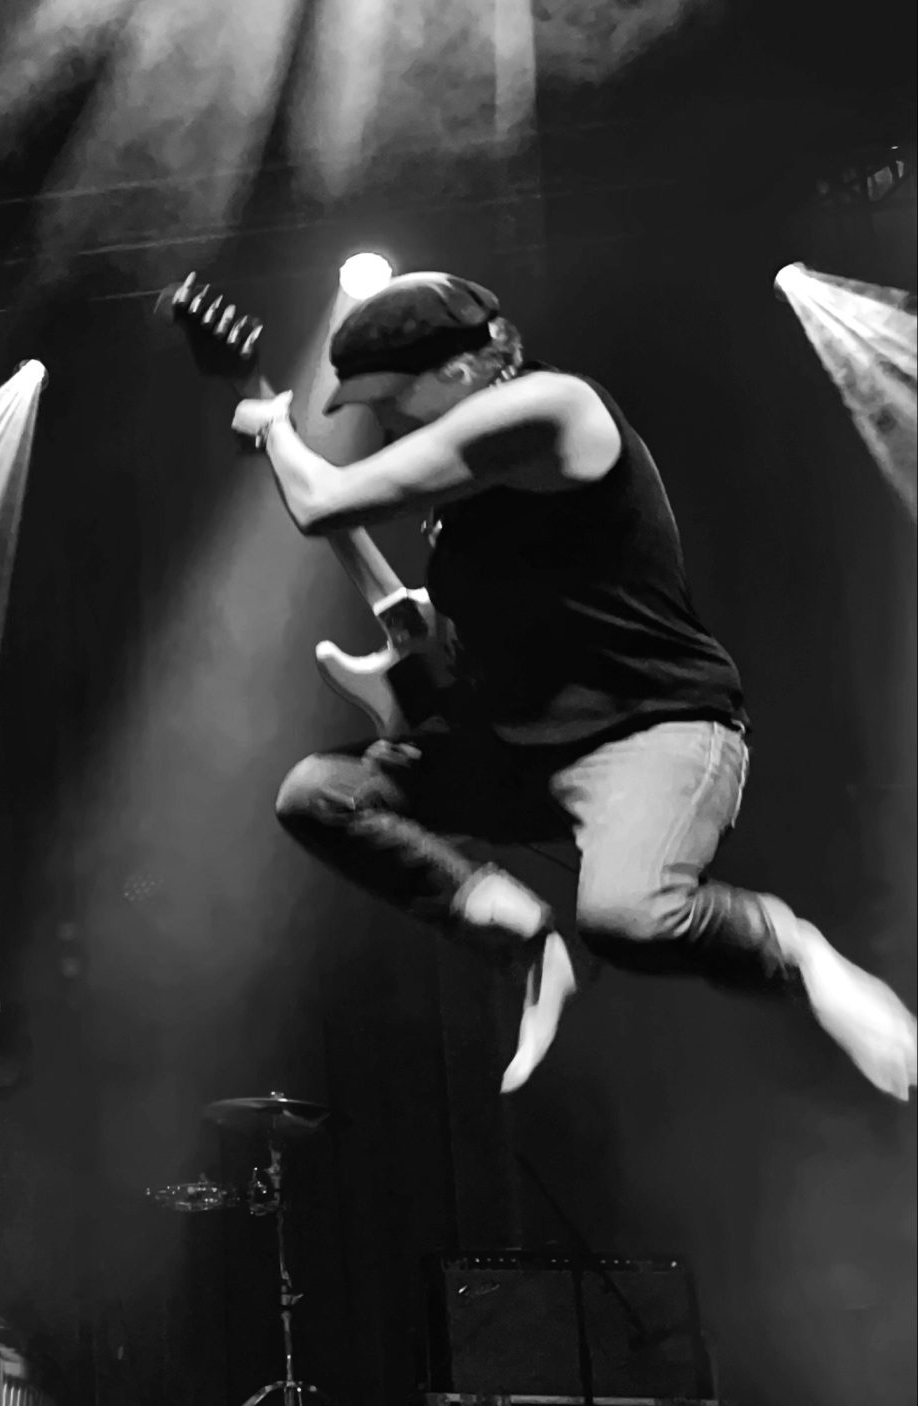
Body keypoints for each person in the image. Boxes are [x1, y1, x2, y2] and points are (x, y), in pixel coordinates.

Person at [232, 271, 915, 1099]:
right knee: (319, 794)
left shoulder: (551, 408)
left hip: (649, 730)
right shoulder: (469, 481)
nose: (383, 422)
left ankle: (795, 952)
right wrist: (424, 634)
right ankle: (524, 939)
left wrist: (274, 424)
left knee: (630, 918)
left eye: (391, 400)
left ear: (460, 370)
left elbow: (323, 504)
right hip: (523, 749)